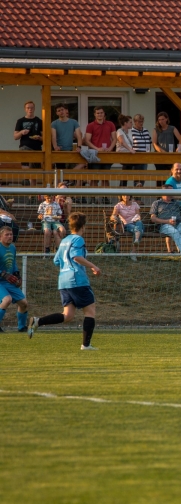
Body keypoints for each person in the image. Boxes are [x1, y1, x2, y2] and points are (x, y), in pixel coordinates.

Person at [28, 213, 103, 349]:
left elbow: (56, 260)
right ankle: (86, 345)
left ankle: (38, 321)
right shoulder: (78, 239)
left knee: (67, 315)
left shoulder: (65, 240)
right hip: (77, 279)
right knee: (90, 311)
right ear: (83, 226)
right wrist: (94, 266)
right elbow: (76, 257)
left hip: (63, 281)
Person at [150, 187, 181, 253]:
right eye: (170, 192)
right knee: (174, 232)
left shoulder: (177, 203)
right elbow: (153, 218)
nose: (172, 193)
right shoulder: (157, 203)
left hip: (178, 223)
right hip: (164, 225)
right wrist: (167, 221)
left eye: (172, 191)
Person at [0, 226, 29, 333]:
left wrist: (17, 275)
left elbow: (13, 263)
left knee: (24, 303)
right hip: (0, 282)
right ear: (0, 236)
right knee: (7, 300)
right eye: (6, 235)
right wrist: (4, 275)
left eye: (11, 234)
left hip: (8, 282)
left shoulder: (12, 248)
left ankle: (21, 327)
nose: (9, 236)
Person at [83, 107, 116, 183]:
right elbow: (87, 140)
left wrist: (110, 148)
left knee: (106, 178)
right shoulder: (90, 125)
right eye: (98, 113)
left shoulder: (110, 124)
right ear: (95, 114)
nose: (100, 114)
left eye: (101, 113)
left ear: (104, 114)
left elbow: (114, 139)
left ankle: (105, 195)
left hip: (107, 154)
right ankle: (93, 195)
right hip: (95, 154)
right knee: (94, 178)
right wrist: (97, 148)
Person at [50, 103, 85, 170]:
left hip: (71, 149)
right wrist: (55, 147)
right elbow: (53, 136)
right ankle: (62, 180)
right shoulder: (54, 123)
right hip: (60, 150)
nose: (61, 112)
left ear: (66, 110)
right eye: (59, 110)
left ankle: (70, 180)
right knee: (60, 169)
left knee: (77, 165)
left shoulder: (74, 122)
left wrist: (79, 146)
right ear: (57, 113)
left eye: (62, 110)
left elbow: (79, 135)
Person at [15, 101, 43, 178]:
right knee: (25, 166)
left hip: (37, 148)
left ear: (34, 109)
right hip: (24, 146)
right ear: (25, 109)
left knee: (35, 171)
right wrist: (21, 132)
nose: (30, 109)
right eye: (28, 108)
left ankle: (33, 187)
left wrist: (39, 137)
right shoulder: (20, 121)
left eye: (32, 108)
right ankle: (26, 182)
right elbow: (15, 137)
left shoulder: (39, 121)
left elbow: (45, 138)